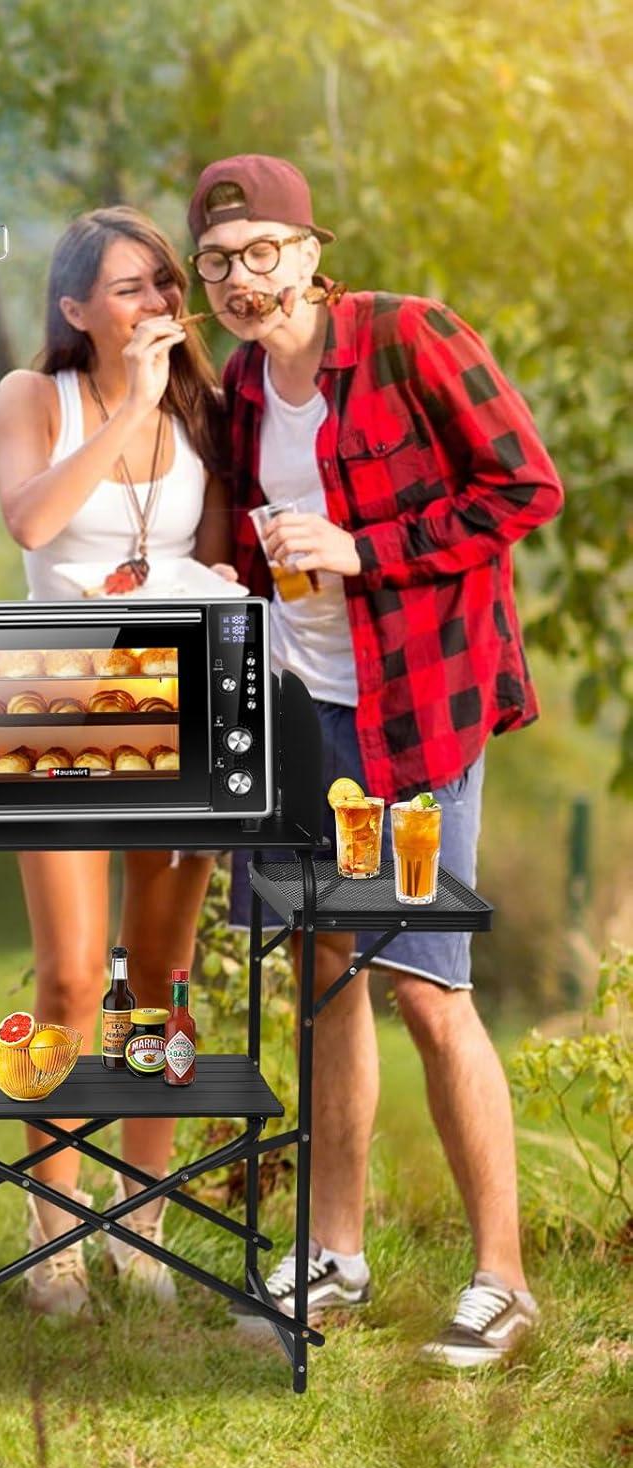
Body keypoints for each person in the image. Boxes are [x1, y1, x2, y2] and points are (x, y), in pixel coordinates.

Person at [187, 154, 563, 1366]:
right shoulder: (244, 385)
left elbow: (525, 487)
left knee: (427, 987)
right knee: (325, 974)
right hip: (307, 719)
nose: (240, 279)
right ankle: (335, 1255)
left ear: (310, 251)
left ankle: (503, 1283)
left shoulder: (410, 338)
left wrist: (367, 548)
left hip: (418, 711)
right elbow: (258, 543)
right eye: (216, 263)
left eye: (260, 252)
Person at [0, 207, 232, 1315]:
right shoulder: (34, 397)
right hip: (49, 701)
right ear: (76, 307)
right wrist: (130, 403)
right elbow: (32, 525)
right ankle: (53, 1228)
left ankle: (142, 1217)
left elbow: (213, 560)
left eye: (163, 284)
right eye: (128, 288)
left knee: (158, 976)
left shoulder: (204, 409)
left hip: (176, 692)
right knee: (72, 975)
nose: (156, 304)